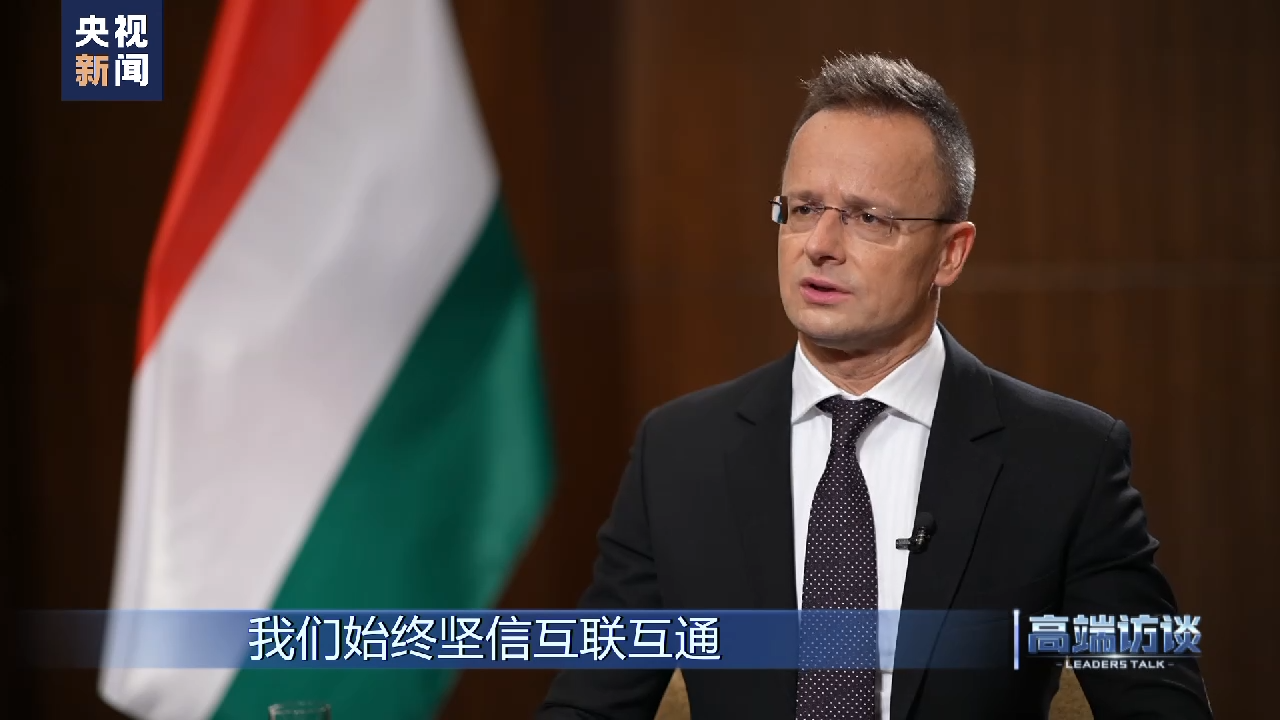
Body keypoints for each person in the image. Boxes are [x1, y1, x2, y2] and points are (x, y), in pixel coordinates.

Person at [537, 53, 1212, 720]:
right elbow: (591, 704)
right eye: (804, 208)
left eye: (869, 218)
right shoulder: (679, 453)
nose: (820, 244)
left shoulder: (1067, 460)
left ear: (950, 252)